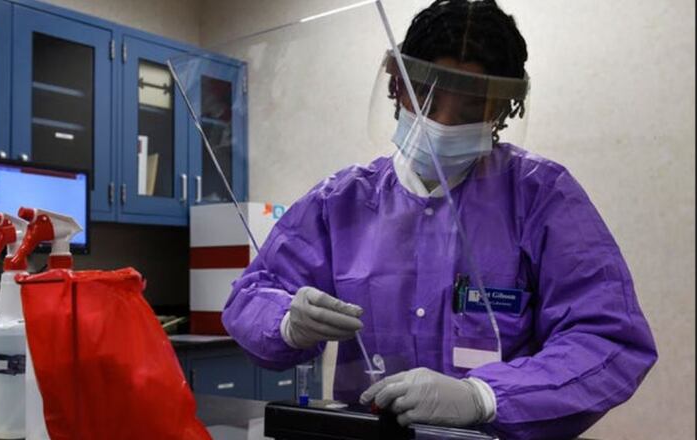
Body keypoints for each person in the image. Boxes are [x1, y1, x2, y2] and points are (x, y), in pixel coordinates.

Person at [222, 1, 657, 439]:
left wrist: (484, 397)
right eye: (427, 99)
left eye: (469, 110)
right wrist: (285, 322)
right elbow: (252, 294)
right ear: (397, 87)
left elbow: (609, 340)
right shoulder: (341, 201)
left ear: (501, 110)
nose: (443, 123)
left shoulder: (542, 196)